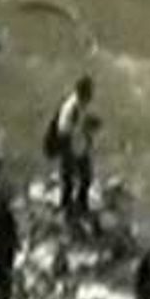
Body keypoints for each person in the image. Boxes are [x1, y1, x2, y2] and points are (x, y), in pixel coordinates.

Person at [47, 75, 97, 228]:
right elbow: (63, 130)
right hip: (71, 150)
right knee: (71, 181)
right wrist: (84, 128)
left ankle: (79, 205)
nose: (92, 94)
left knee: (85, 178)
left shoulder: (81, 105)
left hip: (79, 147)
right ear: (83, 92)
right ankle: (68, 210)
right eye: (90, 91)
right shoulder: (71, 107)